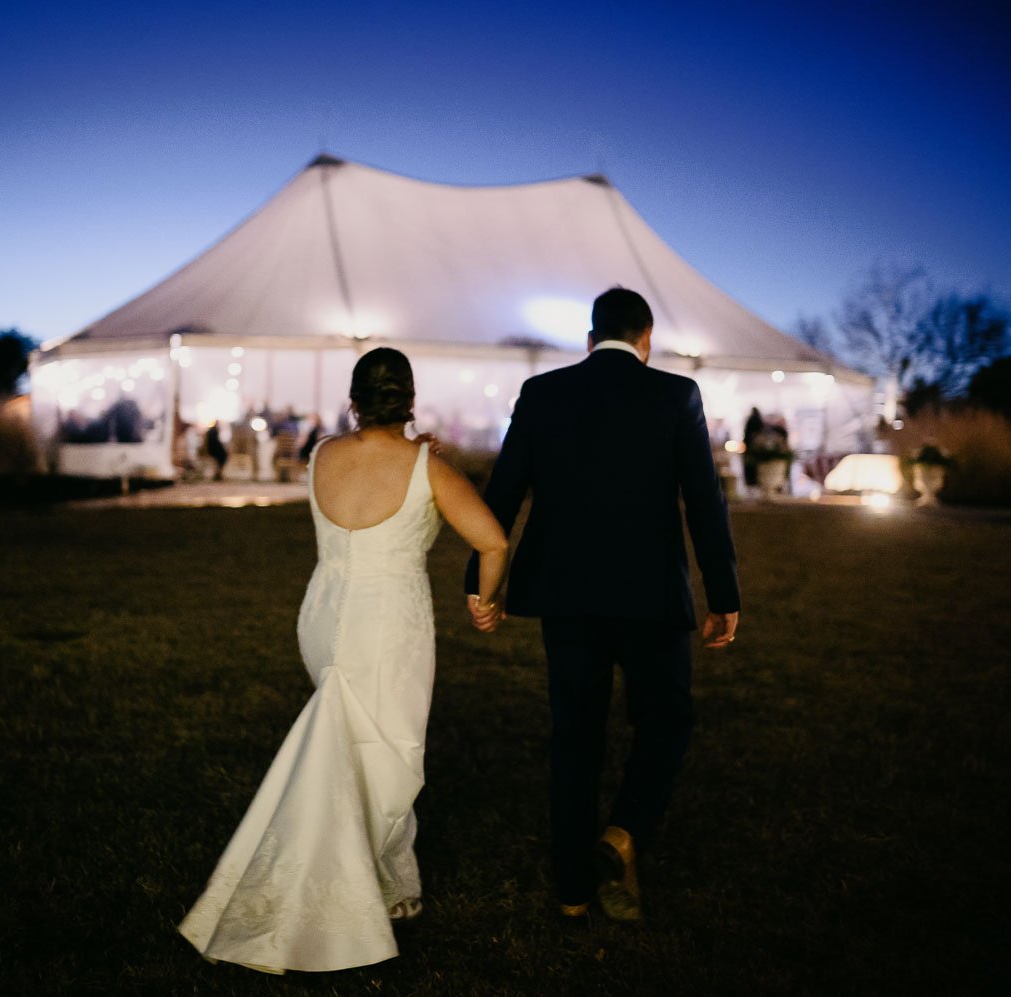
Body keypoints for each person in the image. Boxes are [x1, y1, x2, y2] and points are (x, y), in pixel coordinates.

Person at [179, 347, 509, 974]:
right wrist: (483, 603)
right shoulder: (429, 468)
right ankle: (377, 893)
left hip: (324, 616)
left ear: (355, 398)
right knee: (388, 752)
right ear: (409, 398)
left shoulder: (321, 454)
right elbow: (492, 540)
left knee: (351, 745)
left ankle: (383, 880)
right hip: (389, 626)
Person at [464, 287, 740, 925]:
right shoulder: (674, 395)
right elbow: (705, 501)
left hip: (566, 598)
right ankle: (623, 833)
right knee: (666, 721)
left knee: (575, 738)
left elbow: (502, 492)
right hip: (652, 598)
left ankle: (571, 891)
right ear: (647, 341)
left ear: (589, 340)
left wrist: (477, 584)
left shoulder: (543, 393)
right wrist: (723, 594)